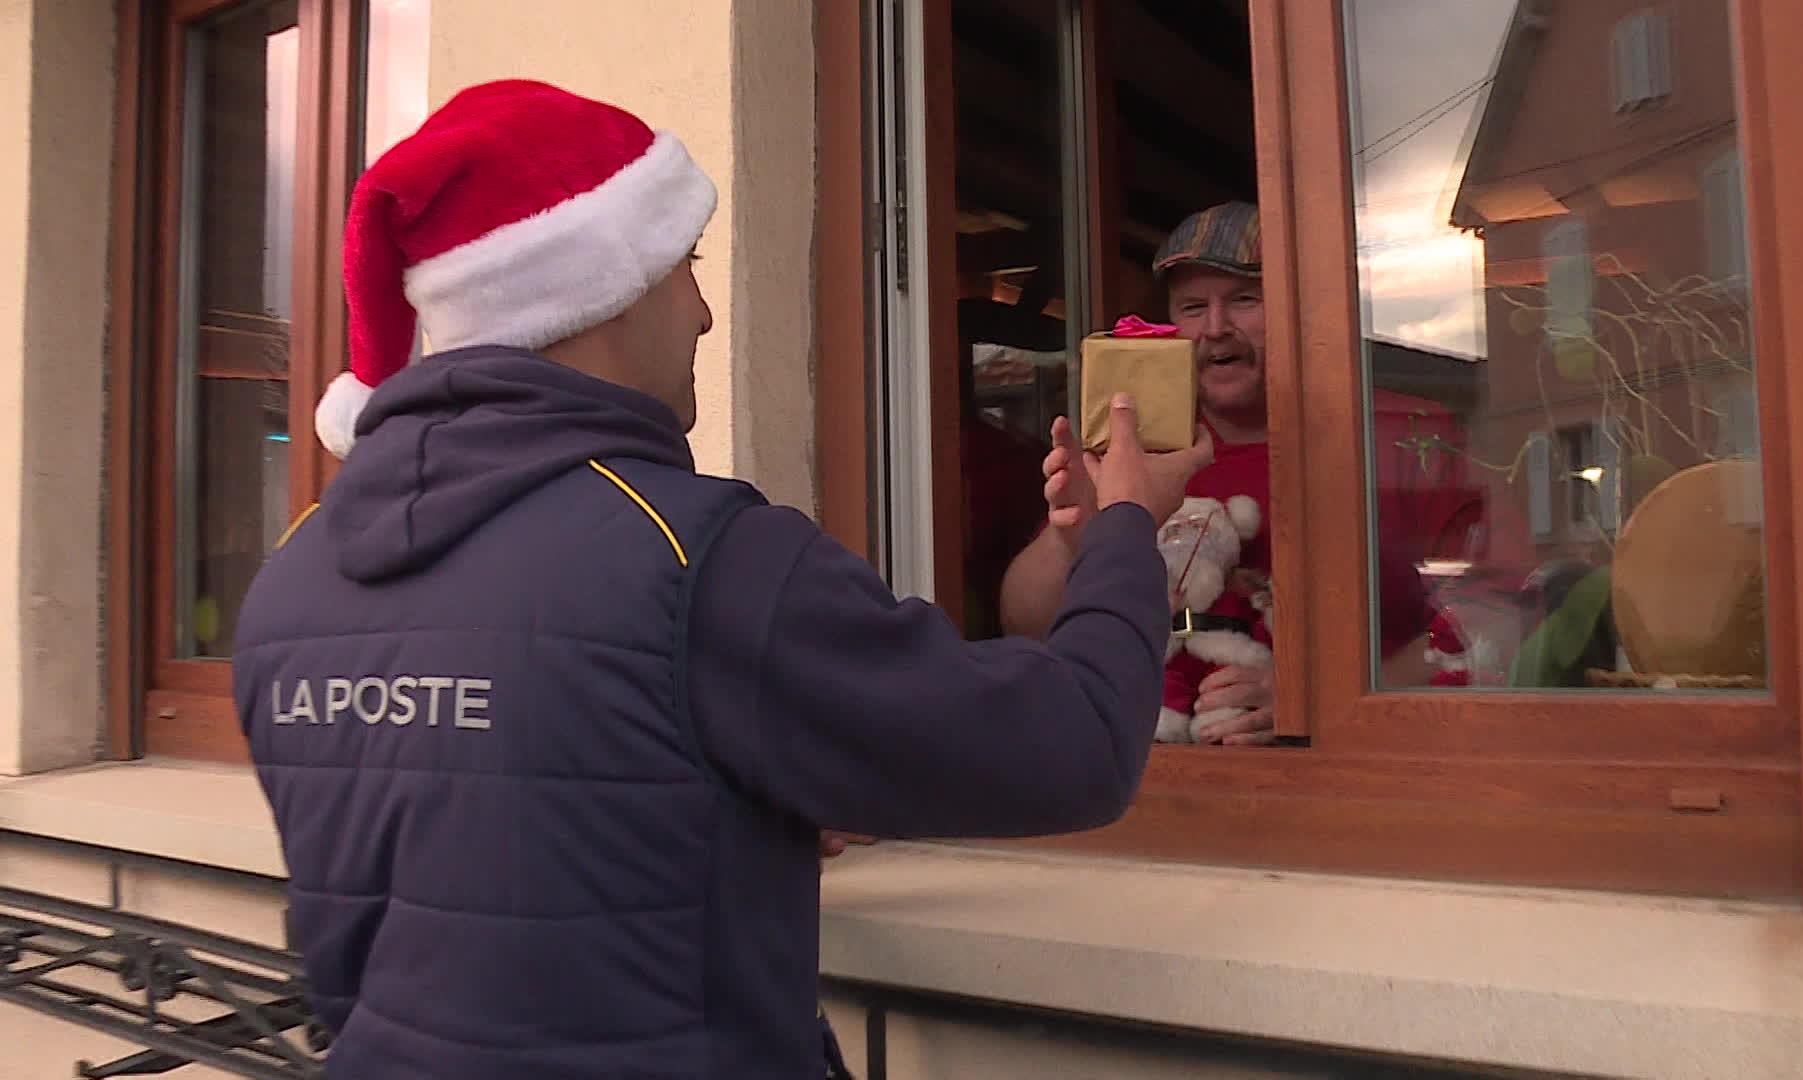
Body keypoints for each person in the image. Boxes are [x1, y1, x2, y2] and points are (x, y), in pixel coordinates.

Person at [231, 80, 1210, 1080]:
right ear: (604, 287)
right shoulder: (695, 556)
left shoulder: (292, 585)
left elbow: (496, 847)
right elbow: (1076, 741)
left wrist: (725, 802)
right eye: (686, 266)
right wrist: (1130, 517)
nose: (702, 313)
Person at [1000, 202, 1437, 745]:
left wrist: (1318, 703)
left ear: (1298, 308)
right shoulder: (1136, 452)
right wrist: (1071, 536)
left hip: (1359, 782)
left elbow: (1492, 621)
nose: (1215, 328)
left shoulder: (1397, 434)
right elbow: (1026, 626)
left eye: (1244, 300)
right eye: (1192, 307)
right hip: (1166, 786)